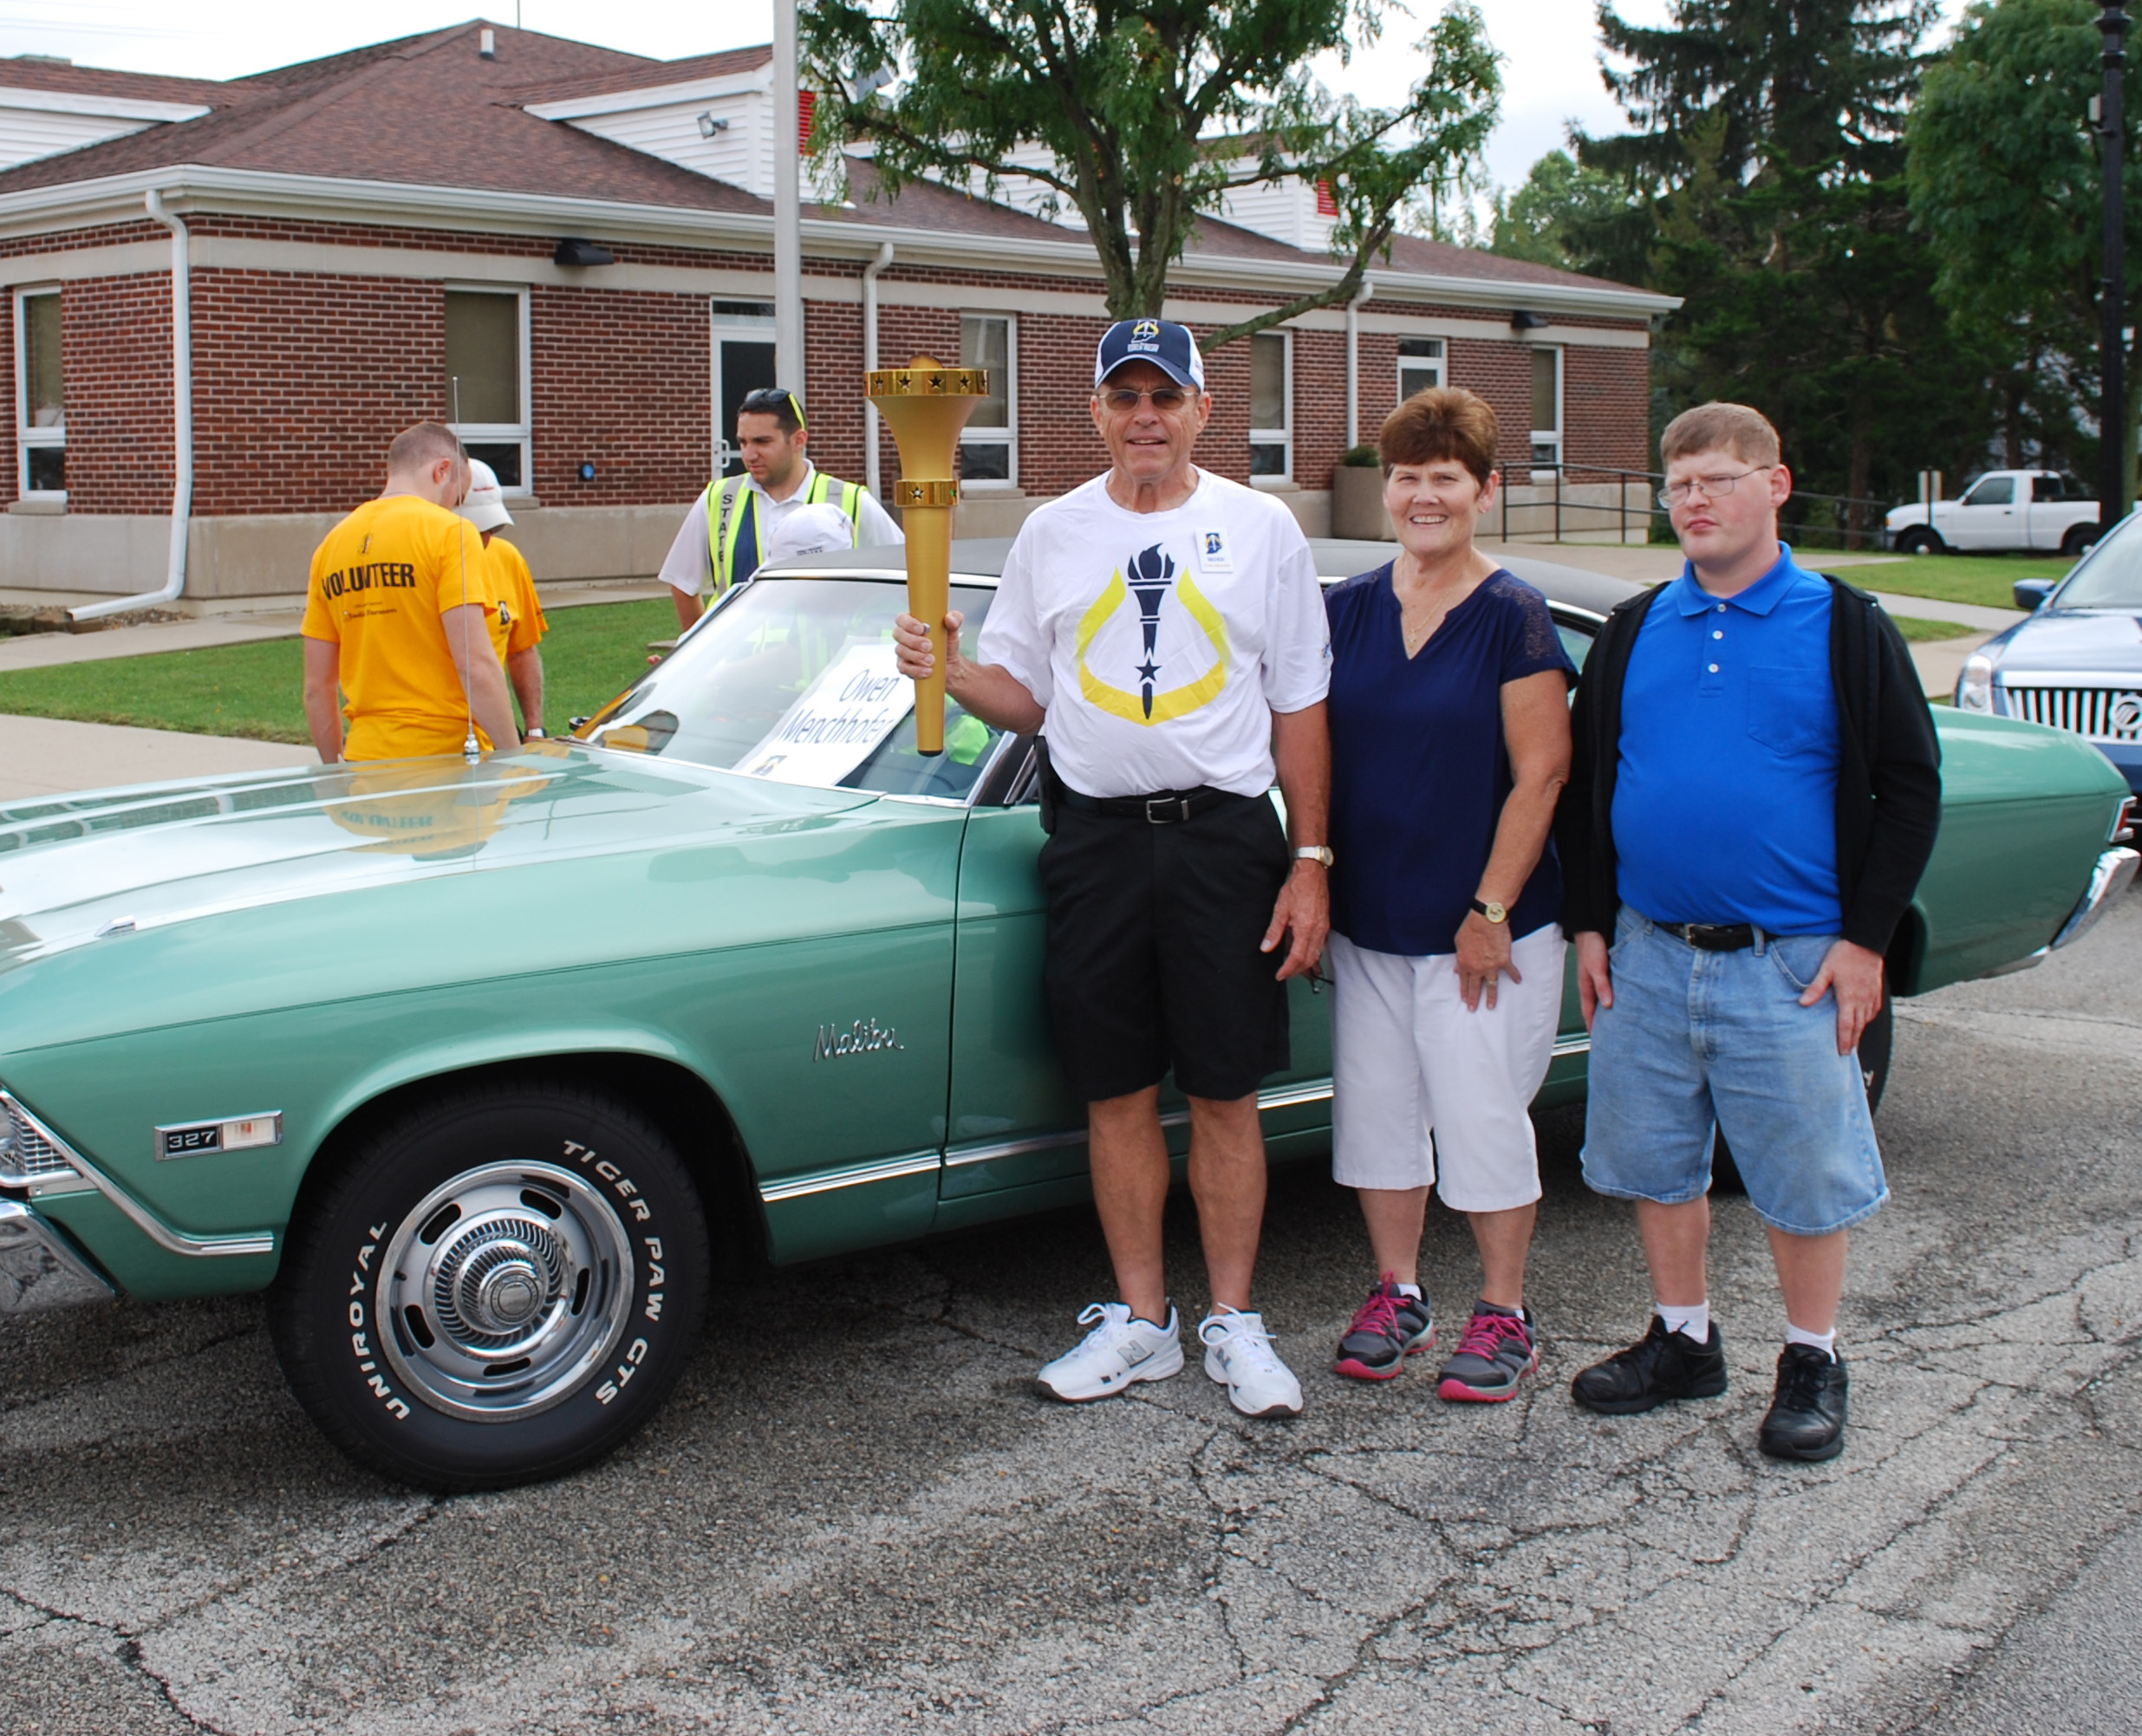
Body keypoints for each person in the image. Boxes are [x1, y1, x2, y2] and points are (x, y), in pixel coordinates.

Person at [891, 318, 1332, 1420]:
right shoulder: (1050, 532)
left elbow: (1299, 704)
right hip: (1088, 839)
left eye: (1164, 396)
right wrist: (949, 666)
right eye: (1123, 397)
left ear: (1200, 411)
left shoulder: (1260, 527)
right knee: (1115, 1090)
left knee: (1226, 1091)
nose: (1145, 417)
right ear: (1093, 411)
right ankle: (1143, 1324)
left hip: (1225, 838)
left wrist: (1310, 856)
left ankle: (1233, 1321)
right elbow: (1029, 702)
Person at [1556, 401, 1941, 1464]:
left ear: (1774, 486)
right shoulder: (1637, 630)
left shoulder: (1844, 626)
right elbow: (1586, 791)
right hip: (1646, 951)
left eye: (1718, 480)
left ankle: (1811, 1358)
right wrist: (1591, 925)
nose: (1694, 501)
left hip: (1793, 964)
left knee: (1802, 1173)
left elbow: (1909, 789)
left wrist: (1863, 941)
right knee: (1654, 1160)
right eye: (1678, 484)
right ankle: (1682, 1341)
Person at [1319, 388, 1574, 1403]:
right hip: (1370, 920)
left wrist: (1492, 909)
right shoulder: (1343, 608)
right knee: (1377, 1116)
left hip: (1480, 931)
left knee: (1478, 1118)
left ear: (1483, 490)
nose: (1423, 497)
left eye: (1445, 479)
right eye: (1407, 478)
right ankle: (1398, 1293)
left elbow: (1541, 775)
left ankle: (1504, 1313)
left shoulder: (1511, 617)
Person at [302, 422, 519, 764]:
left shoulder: (330, 546)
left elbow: (317, 687)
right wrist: (515, 759)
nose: (453, 507)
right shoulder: (452, 533)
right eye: (457, 497)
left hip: (366, 764)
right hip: (446, 764)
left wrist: (334, 768)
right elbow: (474, 663)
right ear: (442, 470)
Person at [661, 388, 900, 627]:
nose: (748, 454)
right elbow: (682, 582)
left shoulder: (852, 500)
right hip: (738, 662)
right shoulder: (719, 498)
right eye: (742, 442)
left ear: (799, 440)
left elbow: (903, 575)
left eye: (762, 442)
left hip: (826, 660)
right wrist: (699, 653)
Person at [457, 459, 550, 740]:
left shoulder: (507, 558)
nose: (486, 538)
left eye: (493, 529)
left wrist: (534, 727)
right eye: (477, 529)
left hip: (496, 736)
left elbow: (522, 650)